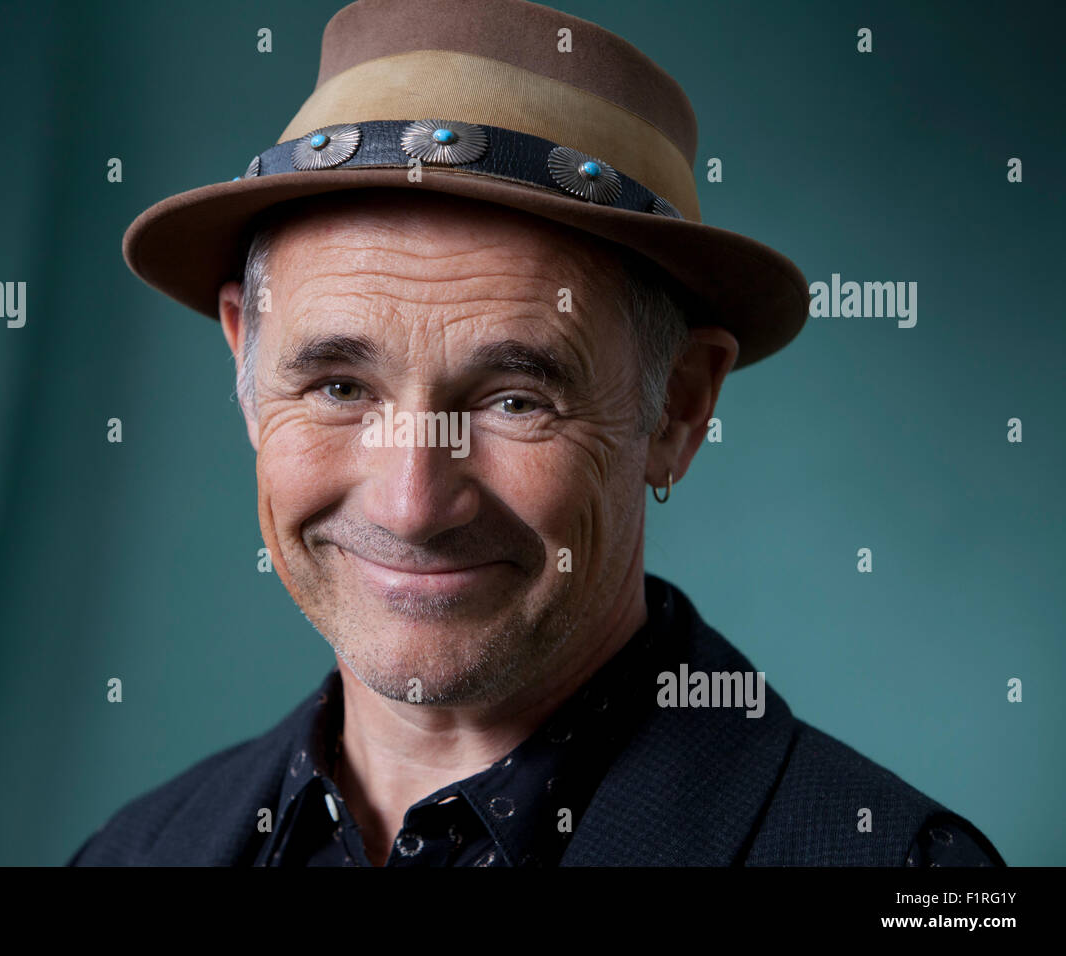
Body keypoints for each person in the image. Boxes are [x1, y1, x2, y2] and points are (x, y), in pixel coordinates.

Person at [69, 0, 1002, 866]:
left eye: (515, 399)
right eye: (340, 385)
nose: (412, 505)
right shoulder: (134, 855)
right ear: (246, 365)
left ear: (678, 408)